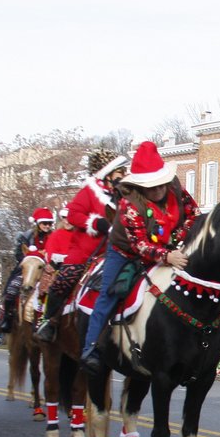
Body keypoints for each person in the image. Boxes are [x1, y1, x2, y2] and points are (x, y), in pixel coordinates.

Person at [79, 141, 200, 375]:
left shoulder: (176, 189)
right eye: (150, 187)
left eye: (159, 185)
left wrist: (177, 237)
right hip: (126, 252)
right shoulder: (129, 205)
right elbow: (141, 245)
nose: (157, 191)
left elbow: (193, 213)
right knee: (108, 294)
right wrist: (167, 256)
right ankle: (90, 347)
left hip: (172, 248)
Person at [34, 151, 128, 343]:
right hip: (86, 251)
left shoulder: (125, 196)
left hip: (117, 251)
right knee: (65, 279)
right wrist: (96, 223)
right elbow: (74, 214)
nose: (123, 176)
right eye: (120, 172)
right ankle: (49, 321)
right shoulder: (89, 191)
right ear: (108, 174)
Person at [0, 208, 56, 333]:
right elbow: (18, 253)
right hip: (28, 268)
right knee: (12, 289)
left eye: (49, 223)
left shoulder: (53, 237)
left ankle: (50, 323)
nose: (47, 226)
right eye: (44, 223)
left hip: (46, 270)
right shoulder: (26, 236)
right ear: (37, 223)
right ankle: (6, 318)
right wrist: (30, 259)